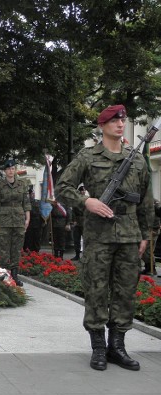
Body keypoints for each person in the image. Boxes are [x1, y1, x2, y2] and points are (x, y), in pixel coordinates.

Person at [56, 104, 154, 371]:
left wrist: (145, 234)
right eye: (114, 121)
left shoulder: (136, 159)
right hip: (98, 234)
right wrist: (87, 202)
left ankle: (118, 347)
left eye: (123, 121)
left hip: (129, 234)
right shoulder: (87, 157)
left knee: (125, 292)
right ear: (103, 126)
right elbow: (62, 187)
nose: (120, 125)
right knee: (96, 290)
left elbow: (145, 199)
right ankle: (98, 346)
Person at [0, 158, 30, 286]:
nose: (10, 171)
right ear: (5, 171)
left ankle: (15, 275)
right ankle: (4, 275)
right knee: (4, 249)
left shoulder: (22, 184)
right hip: (4, 221)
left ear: (15, 170)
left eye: (12, 169)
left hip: (19, 220)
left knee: (17, 248)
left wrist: (27, 218)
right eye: (8, 169)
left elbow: (26, 203)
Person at [24, 186, 44, 252]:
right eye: (32, 193)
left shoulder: (38, 202)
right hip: (29, 224)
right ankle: (28, 251)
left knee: (37, 239)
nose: (33, 195)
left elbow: (42, 212)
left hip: (37, 224)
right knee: (29, 239)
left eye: (33, 193)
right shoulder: (25, 203)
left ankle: (36, 252)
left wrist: (43, 221)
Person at [70, 185, 87, 260]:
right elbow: (73, 211)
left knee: (85, 239)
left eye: (84, 190)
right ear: (79, 191)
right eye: (82, 190)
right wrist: (74, 221)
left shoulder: (87, 199)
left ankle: (85, 255)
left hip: (84, 221)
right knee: (76, 239)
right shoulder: (76, 200)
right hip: (77, 221)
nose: (83, 191)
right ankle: (77, 255)